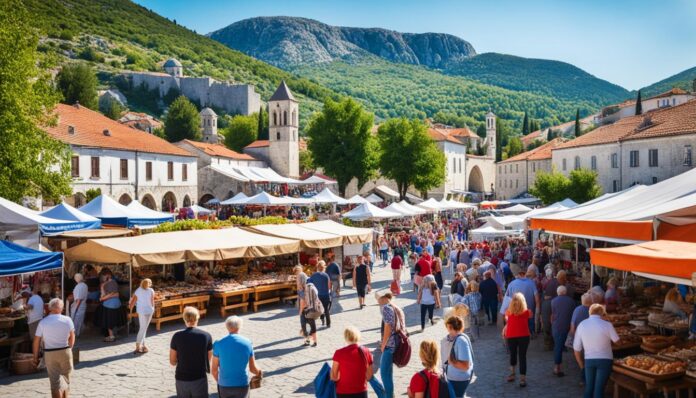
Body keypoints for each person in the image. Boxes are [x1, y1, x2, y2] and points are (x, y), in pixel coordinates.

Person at [573, 304, 619, 398]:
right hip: (605, 360)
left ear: (590, 312)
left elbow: (576, 349)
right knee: (599, 389)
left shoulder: (582, 324)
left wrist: (582, 366)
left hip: (589, 360)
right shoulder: (607, 325)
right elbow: (618, 342)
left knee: (589, 388)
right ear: (602, 313)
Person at [32, 298, 75, 398]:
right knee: (65, 379)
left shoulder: (43, 322)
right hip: (65, 351)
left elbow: (36, 341)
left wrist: (35, 357)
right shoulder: (67, 320)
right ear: (62, 308)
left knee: (55, 383)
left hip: (50, 354)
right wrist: (70, 348)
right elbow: (72, 336)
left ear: (49, 308)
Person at [212, 316, 262, 398]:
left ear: (227, 327)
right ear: (240, 327)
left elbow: (214, 370)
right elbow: (252, 368)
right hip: (242, 384)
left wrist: (220, 381)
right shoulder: (248, 343)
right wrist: (259, 372)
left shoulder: (218, 343)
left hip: (224, 385)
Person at [170, 306, 213, 398]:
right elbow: (209, 358)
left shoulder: (177, 336)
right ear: (197, 318)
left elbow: (172, 361)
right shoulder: (206, 336)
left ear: (184, 319)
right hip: (199, 377)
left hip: (181, 378)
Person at [330, 326, 373, 398]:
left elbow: (334, 377)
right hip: (361, 391)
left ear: (345, 337)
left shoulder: (339, 353)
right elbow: (369, 376)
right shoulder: (366, 351)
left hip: (343, 392)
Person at [377, 291, 405, 398]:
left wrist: (383, 344)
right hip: (396, 344)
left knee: (384, 373)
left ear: (383, 298)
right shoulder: (395, 307)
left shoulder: (386, 308)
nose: (377, 301)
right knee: (388, 373)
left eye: (378, 298)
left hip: (390, 345)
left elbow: (388, 328)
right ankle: (391, 394)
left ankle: (389, 396)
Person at [504, 292, 533, 388]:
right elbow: (530, 315)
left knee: (513, 354)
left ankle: (512, 373)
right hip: (524, 336)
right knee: (522, 356)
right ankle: (522, 379)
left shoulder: (508, 311)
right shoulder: (527, 312)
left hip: (511, 336)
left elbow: (507, 318)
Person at [441, 316, 473, 398]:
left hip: (458, 379)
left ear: (451, 327)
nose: (447, 330)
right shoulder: (455, 339)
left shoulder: (461, 341)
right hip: (454, 378)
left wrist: (451, 362)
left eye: (447, 327)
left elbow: (466, 366)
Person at [551, 285, 576, 377]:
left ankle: (557, 367)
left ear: (558, 293)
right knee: (572, 346)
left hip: (558, 327)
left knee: (558, 347)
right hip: (569, 327)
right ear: (565, 292)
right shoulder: (572, 301)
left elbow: (553, 315)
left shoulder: (553, 301)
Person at [505, 270, 540, 337]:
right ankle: (531, 333)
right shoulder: (532, 283)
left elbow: (507, 299)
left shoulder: (511, 284)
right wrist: (538, 309)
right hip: (529, 309)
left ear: (518, 275)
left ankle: (520, 334)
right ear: (525, 275)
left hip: (515, 310)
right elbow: (537, 298)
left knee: (518, 324)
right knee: (530, 322)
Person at [129, 278, 155, 354]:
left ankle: (141, 345)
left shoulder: (138, 290)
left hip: (142, 311)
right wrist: (153, 309)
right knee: (144, 328)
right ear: (149, 284)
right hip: (149, 311)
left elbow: (133, 302)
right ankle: (140, 345)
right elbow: (152, 302)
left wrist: (130, 309)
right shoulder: (151, 290)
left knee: (143, 328)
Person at [99, 269, 123, 342]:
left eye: (103, 275)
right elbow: (115, 294)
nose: (103, 277)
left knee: (109, 321)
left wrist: (103, 298)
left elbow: (107, 295)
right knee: (114, 319)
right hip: (116, 303)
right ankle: (113, 334)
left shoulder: (106, 283)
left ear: (107, 275)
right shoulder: (114, 282)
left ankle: (111, 336)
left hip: (109, 305)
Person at [309, 261, 332, 328]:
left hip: (317, 296)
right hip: (326, 295)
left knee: (320, 309)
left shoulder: (313, 275)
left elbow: (309, 284)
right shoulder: (326, 275)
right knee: (326, 309)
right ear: (324, 267)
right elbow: (329, 286)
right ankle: (328, 323)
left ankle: (322, 320)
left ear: (317, 267)